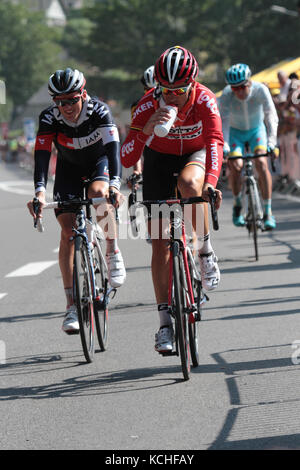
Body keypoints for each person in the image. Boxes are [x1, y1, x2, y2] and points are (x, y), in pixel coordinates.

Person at [121, 46, 223, 352]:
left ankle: (205, 250)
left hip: (195, 153)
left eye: (179, 90)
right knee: (160, 242)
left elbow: (216, 142)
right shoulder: (146, 104)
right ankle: (165, 324)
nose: (171, 96)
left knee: (191, 183)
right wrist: (144, 131)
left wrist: (212, 184)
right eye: (165, 89)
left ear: (192, 84)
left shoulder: (205, 99)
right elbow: (127, 156)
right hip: (158, 162)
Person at [27, 67, 126, 334]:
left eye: (71, 99)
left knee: (98, 194)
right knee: (68, 232)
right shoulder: (49, 117)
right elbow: (42, 155)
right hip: (68, 171)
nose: (66, 107)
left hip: (99, 163)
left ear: (83, 94)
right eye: (60, 102)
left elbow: (113, 150)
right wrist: (39, 191)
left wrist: (115, 185)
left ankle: (112, 251)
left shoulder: (100, 111)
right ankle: (71, 305)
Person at [219, 63, 279, 230]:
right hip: (235, 132)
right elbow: (222, 123)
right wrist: (224, 145)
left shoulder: (260, 90)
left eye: (242, 87)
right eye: (234, 88)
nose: (238, 91)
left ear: (250, 82)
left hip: (256, 131)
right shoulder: (226, 95)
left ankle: (268, 211)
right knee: (236, 165)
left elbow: (271, 116)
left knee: (261, 163)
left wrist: (272, 143)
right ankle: (238, 204)